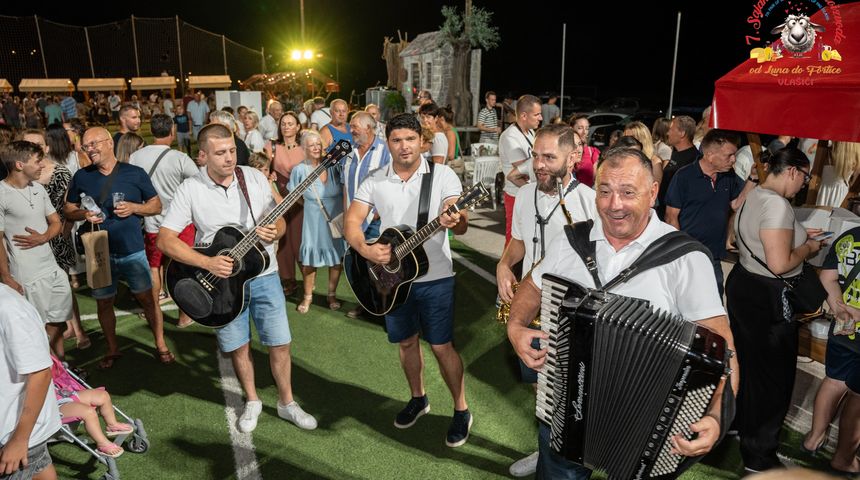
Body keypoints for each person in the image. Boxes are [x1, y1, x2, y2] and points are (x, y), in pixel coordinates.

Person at [506, 147, 739, 479]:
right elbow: (532, 283)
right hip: (563, 411)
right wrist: (515, 327)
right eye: (605, 191)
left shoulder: (685, 258)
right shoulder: (573, 241)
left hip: (642, 427)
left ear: (653, 193)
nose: (614, 204)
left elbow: (723, 350)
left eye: (628, 192)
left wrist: (717, 416)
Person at [157, 123, 317, 433]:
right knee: (239, 346)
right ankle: (253, 400)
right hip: (222, 285)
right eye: (220, 153)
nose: (230, 158)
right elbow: (166, 240)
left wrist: (277, 230)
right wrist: (207, 262)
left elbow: (280, 219)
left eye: (232, 150)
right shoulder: (191, 188)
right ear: (203, 156)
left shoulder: (254, 178)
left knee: (280, 343)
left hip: (265, 275)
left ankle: (287, 402)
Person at [344, 113, 473, 447]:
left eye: (410, 139)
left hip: (436, 278)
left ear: (422, 142)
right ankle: (419, 398)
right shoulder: (375, 179)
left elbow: (457, 216)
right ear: (388, 143)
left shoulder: (441, 174)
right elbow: (352, 222)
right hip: (393, 280)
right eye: (397, 140)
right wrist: (367, 250)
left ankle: (461, 409)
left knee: (442, 346)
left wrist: (455, 218)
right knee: (405, 342)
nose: (404, 146)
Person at [497, 124, 597, 477]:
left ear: (573, 158)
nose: (538, 164)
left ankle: (554, 456)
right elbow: (520, 241)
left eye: (549, 157)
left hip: (565, 315)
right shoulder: (524, 195)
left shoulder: (589, 202)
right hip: (527, 311)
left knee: (564, 399)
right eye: (536, 155)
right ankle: (544, 452)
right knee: (540, 390)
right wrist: (504, 264)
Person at [725, 147, 823, 473]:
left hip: (743, 284)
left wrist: (796, 237)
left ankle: (739, 424)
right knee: (775, 378)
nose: (803, 186)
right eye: (805, 178)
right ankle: (760, 454)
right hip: (769, 296)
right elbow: (780, 262)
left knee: (749, 365)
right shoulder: (778, 205)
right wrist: (808, 247)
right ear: (794, 171)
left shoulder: (754, 194)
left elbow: (738, 240)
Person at [63, 127, 171, 369]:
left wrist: (134, 208)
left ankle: (160, 344)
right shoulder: (82, 176)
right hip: (98, 250)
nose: (89, 150)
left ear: (109, 143)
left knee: (148, 300)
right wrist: (83, 213)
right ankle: (112, 348)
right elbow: (68, 209)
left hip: (132, 249)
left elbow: (156, 205)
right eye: (85, 146)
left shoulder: (135, 173)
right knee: (103, 302)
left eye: (93, 144)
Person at [0, 141, 73, 361]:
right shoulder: (2, 194)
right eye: (37, 161)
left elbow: (56, 222)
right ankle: (49, 370)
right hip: (25, 273)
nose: (42, 165)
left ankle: (56, 365)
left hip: (51, 267)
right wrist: (6, 277)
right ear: (19, 165)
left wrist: (43, 237)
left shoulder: (38, 189)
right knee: (35, 325)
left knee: (59, 319)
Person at [664, 129, 755, 297]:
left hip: (712, 256)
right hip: (687, 257)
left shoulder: (728, 176)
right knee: (684, 303)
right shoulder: (684, 177)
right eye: (729, 155)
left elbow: (736, 204)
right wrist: (679, 253)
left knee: (714, 306)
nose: (734, 159)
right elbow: (671, 218)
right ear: (710, 154)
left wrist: (753, 179)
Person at [129, 114, 200, 329]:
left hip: (152, 222)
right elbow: (198, 183)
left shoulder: (136, 157)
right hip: (180, 223)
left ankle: (153, 312)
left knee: (154, 267)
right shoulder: (179, 158)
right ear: (171, 131)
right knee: (182, 266)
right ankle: (184, 315)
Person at [801, 227, 860, 476]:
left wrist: (842, 311)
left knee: (834, 380)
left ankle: (813, 439)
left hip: (843, 326)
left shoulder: (851, 235)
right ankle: (844, 459)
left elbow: (827, 277)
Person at [0, 283, 61, 480]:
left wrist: (20, 439)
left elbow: (41, 373)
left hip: (13, 433)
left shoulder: (9, 308)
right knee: (41, 470)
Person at [40, 125, 90, 350]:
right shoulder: (23, 174)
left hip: (59, 235)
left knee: (63, 285)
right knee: (52, 288)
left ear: (47, 144)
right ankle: (68, 328)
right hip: (39, 240)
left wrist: (66, 228)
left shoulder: (61, 170)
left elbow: (69, 207)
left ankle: (78, 331)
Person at [341, 111, 392, 319]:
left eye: (355, 126)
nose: (350, 130)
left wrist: (380, 210)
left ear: (369, 129)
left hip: (375, 220)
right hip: (354, 221)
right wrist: (346, 215)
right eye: (351, 126)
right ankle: (365, 304)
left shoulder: (385, 150)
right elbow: (345, 185)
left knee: (381, 266)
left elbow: (392, 180)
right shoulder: (350, 152)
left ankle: (385, 306)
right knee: (358, 265)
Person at [289, 130, 344, 314]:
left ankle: (331, 294)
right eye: (311, 145)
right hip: (313, 220)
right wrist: (309, 204)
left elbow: (344, 188)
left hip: (335, 218)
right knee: (309, 261)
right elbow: (293, 194)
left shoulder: (333, 166)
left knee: (336, 260)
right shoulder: (299, 170)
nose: (316, 148)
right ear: (304, 148)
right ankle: (307, 296)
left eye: (318, 144)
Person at [51, 357, 131, 459]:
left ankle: (112, 424)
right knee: (88, 412)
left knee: (102, 395)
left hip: (61, 393)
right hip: (51, 406)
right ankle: (102, 444)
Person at [264, 111, 305, 295]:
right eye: (283, 124)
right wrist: (269, 176)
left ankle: (307, 280)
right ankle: (288, 280)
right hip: (278, 197)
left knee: (300, 240)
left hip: (301, 199)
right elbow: (263, 169)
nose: (286, 126)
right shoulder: (271, 146)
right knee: (283, 239)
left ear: (298, 127)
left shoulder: (306, 147)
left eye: (290, 123)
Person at [500, 94, 542, 245]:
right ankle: (506, 269)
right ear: (524, 115)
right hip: (516, 196)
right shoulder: (510, 136)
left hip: (526, 193)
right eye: (537, 114)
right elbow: (524, 169)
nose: (541, 118)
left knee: (528, 241)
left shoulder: (530, 132)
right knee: (514, 242)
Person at [657, 115, 698, 220]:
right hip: (663, 214)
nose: (667, 133)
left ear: (682, 133)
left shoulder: (694, 160)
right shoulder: (676, 153)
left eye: (671, 129)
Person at [815, 141, 860, 207]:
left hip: (824, 190)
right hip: (842, 191)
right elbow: (856, 174)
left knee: (820, 214)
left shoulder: (829, 151)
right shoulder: (856, 154)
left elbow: (817, 171)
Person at [622, 121, 664, 185]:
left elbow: (654, 190)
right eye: (625, 138)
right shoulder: (622, 159)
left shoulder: (654, 162)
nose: (628, 141)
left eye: (632, 138)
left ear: (642, 140)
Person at [569, 115, 600, 187]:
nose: (584, 132)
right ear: (571, 129)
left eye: (587, 128)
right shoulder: (565, 150)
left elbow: (596, 180)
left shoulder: (592, 152)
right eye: (580, 128)